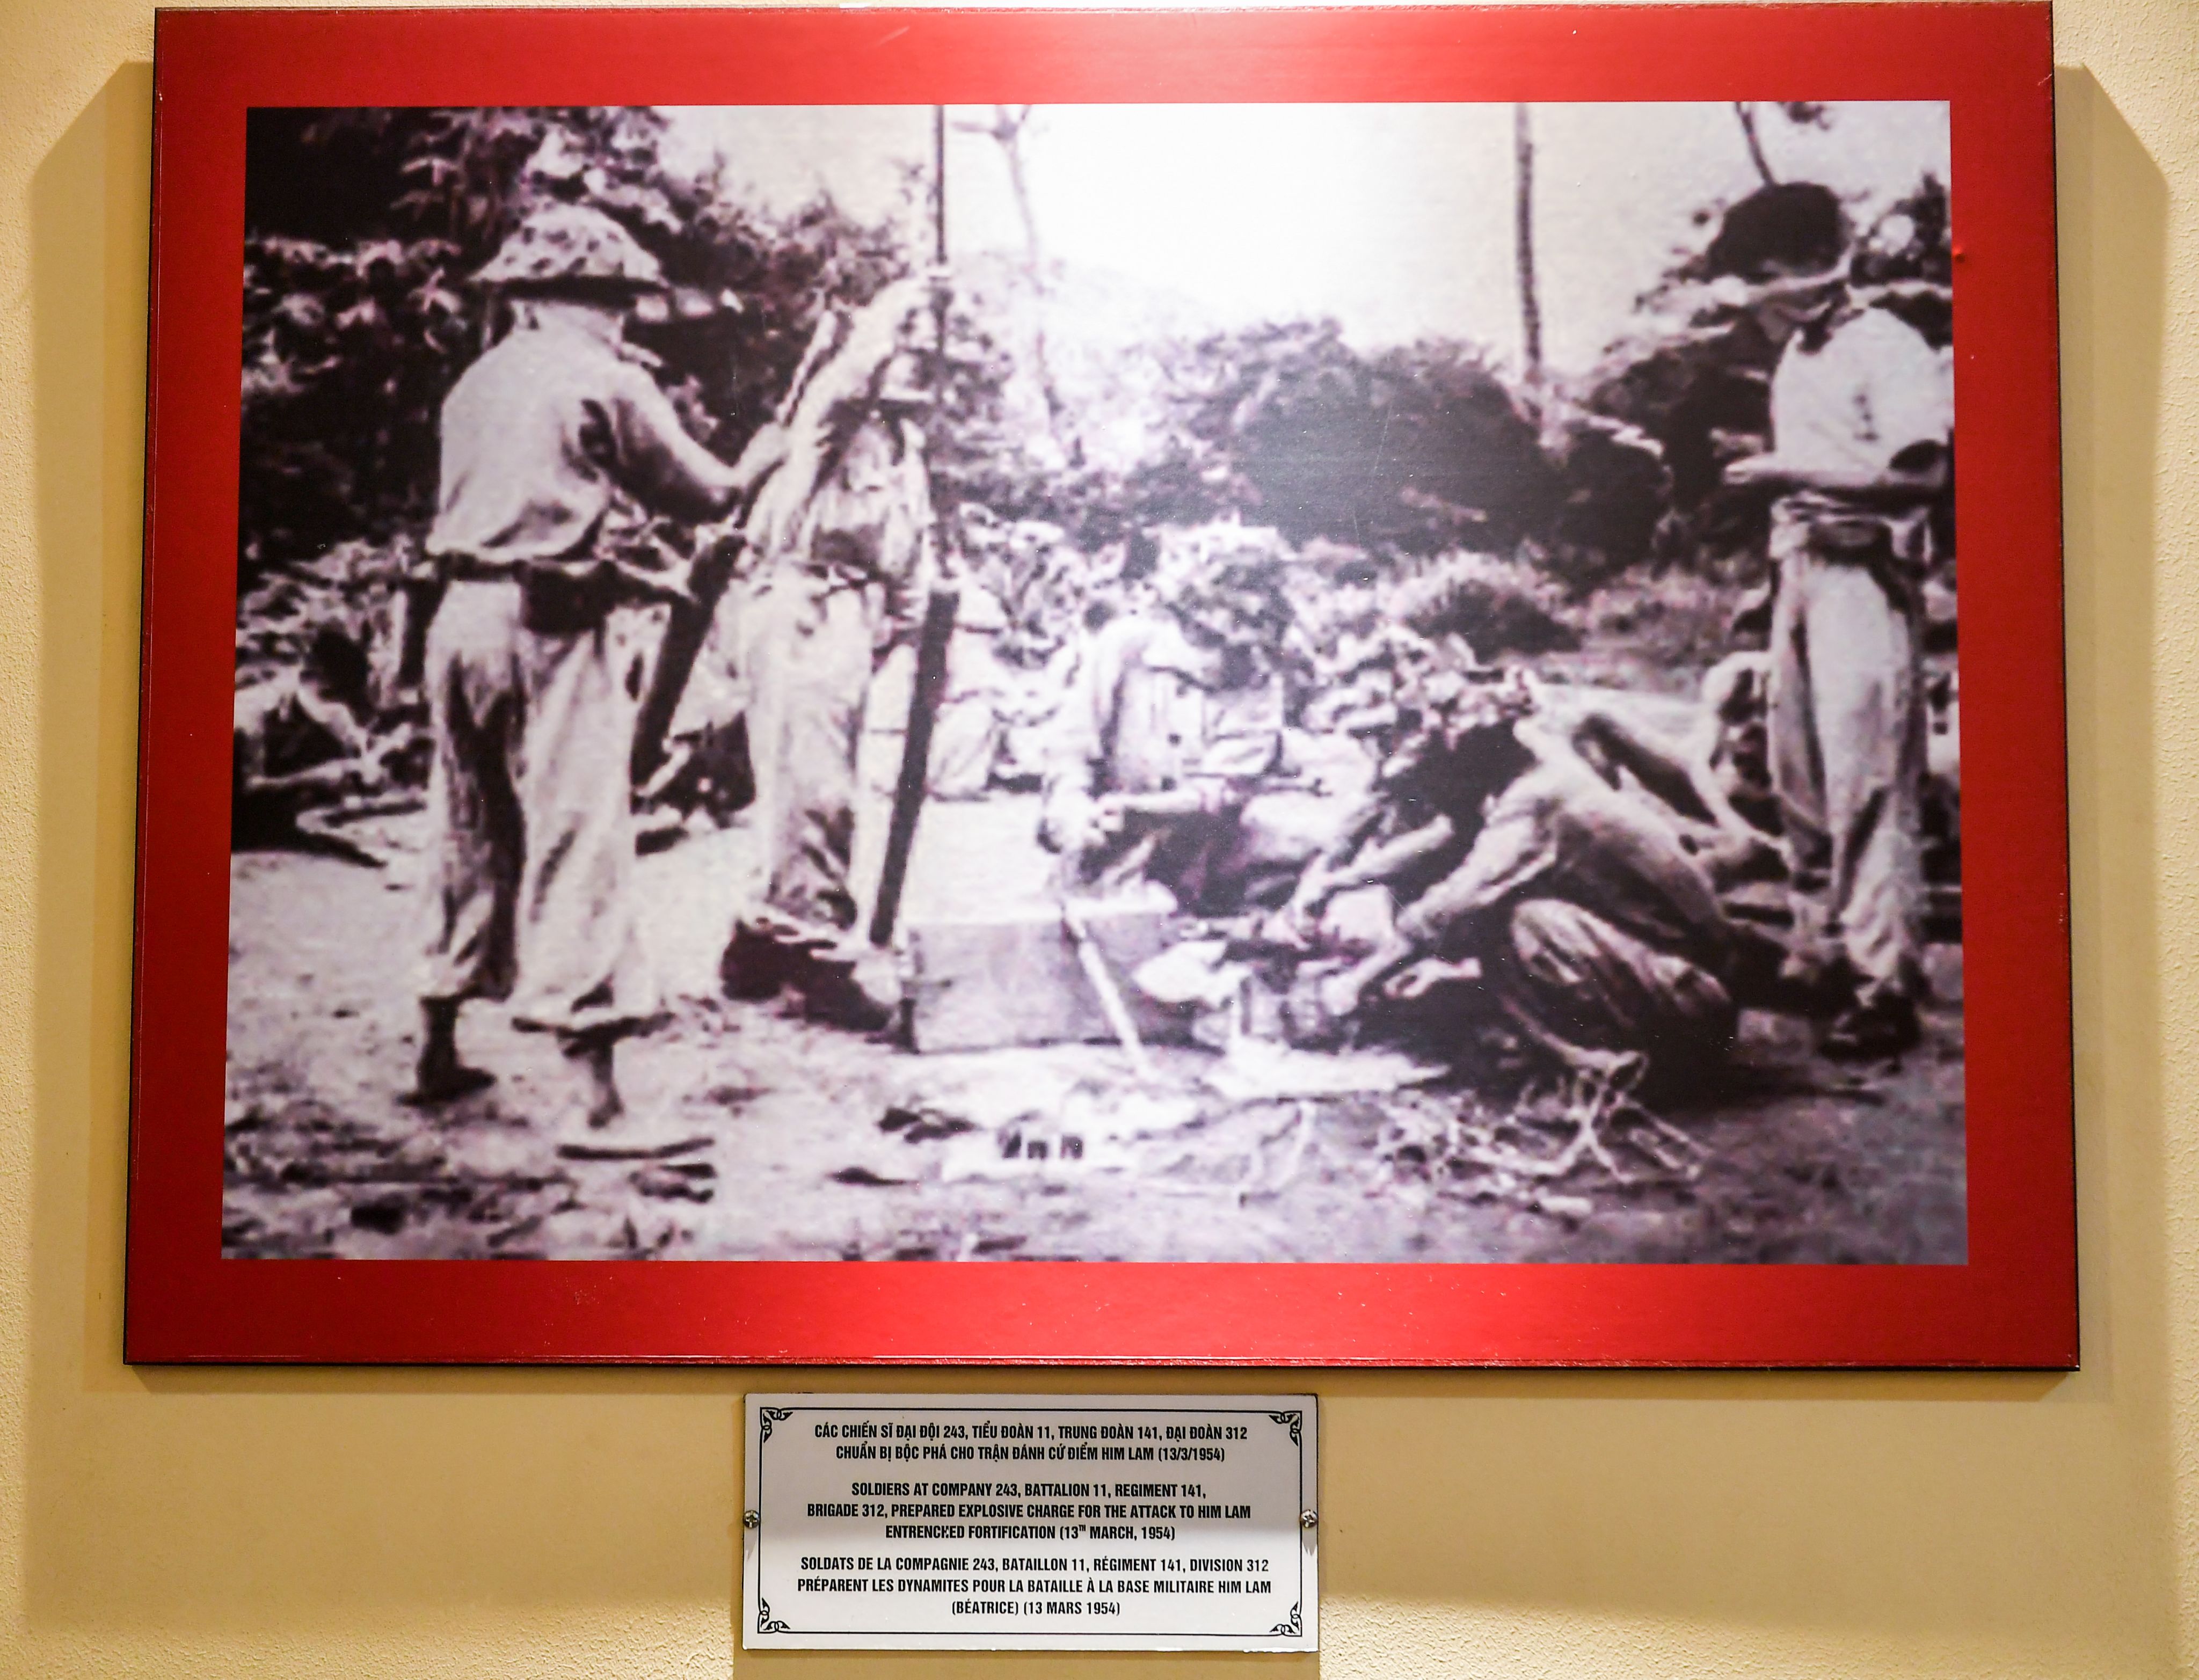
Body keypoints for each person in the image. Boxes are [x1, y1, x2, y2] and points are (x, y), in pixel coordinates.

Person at [410, 202, 787, 1135]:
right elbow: (705, 492)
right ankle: (598, 1104)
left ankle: (437, 1044)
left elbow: (501, 507)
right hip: (545, 623)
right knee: (581, 833)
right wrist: (763, 458)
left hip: (457, 618)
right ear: (587, 298)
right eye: (617, 300)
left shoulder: (479, 381)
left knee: (467, 825)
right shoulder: (601, 376)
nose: (624, 317)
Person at [1713, 182, 1953, 1057]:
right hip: (1802, 570)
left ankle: (1884, 984)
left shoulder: (1886, 345)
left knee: (1869, 783)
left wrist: (1786, 471)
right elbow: (1825, 463)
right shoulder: (1798, 356)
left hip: (1865, 577)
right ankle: (1819, 953)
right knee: (1800, 778)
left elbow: (1921, 476)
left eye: (1766, 276)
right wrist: (1778, 479)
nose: (1761, 298)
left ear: (1812, 266)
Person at [1296, 673, 1744, 1090]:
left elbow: (1455, 903)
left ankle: (1603, 1065)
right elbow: (1449, 835)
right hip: (1690, 984)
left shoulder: (1535, 801)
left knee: (1510, 921)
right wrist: (1342, 881)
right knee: (1503, 916)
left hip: (1689, 1003)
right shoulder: (1537, 770)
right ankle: (1594, 1046)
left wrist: (1353, 983)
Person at [703, 277, 943, 1014]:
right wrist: (893, 306)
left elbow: (911, 549)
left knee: (810, 784)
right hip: (800, 604)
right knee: (816, 791)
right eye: (908, 347)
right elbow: (844, 386)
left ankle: (758, 941)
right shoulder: (830, 423)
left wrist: (903, 629)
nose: (919, 360)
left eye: (927, 351)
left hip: (852, 622)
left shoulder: (906, 447)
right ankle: (815, 954)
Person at [1039, 537, 1335, 917]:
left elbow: (1220, 791)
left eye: (1239, 644)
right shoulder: (1125, 646)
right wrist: (1071, 807)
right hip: (1104, 848)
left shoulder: (1259, 683)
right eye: (1209, 638)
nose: (1222, 655)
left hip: (1202, 856)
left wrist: (1140, 810)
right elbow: (1072, 744)